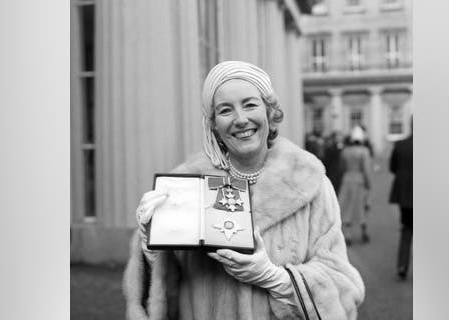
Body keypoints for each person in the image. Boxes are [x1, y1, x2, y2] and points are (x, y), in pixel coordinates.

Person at [123, 61, 364, 319]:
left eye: (250, 104)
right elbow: (161, 296)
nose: (240, 119)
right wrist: (152, 247)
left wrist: (278, 279)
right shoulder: (188, 185)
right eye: (225, 110)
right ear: (213, 124)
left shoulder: (309, 183)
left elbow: (345, 287)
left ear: (270, 113)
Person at [337, 126, 373, 246]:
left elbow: (341, 168)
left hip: (347, 180)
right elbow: (367, 170)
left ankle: (348, 234)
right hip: (359, 181)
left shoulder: (345, 151)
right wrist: (369, 184)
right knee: (361, 207)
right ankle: (364, 231)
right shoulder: (364, 151)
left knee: (347, 207)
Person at [389, 120, 413, 280]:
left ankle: (402, 265)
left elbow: (392, 167)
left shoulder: (400, 145)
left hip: (406, 194)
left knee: (406, 228)